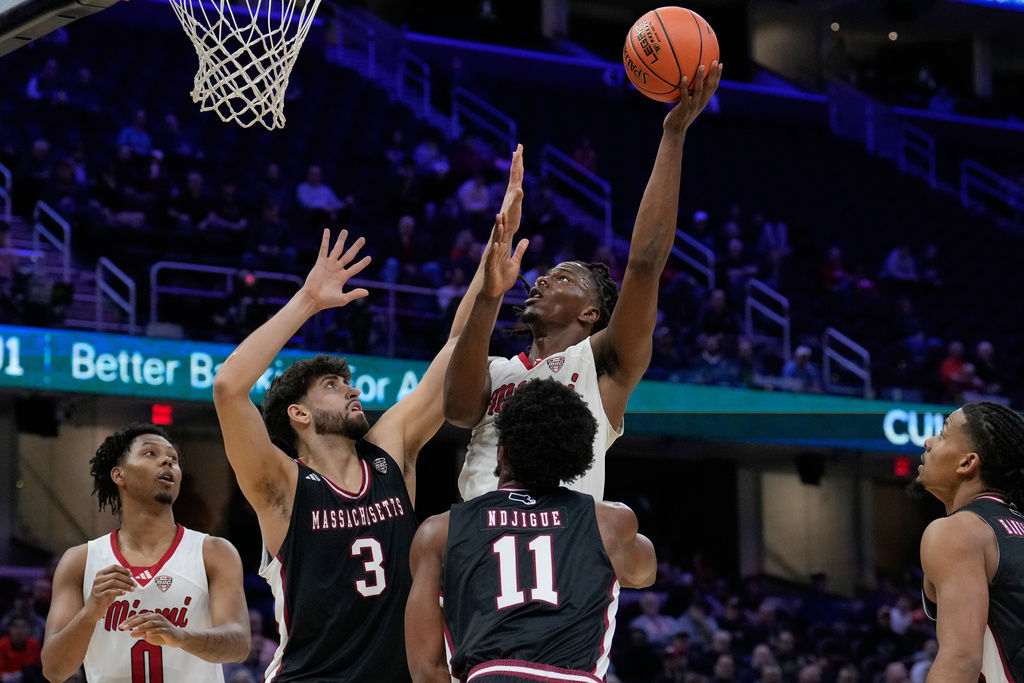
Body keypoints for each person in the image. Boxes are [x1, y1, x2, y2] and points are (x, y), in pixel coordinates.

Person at [211, 152, 524, 682]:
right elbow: (228, 387)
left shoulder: (389, 452)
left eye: (348, 380)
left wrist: (490, 282)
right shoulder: (282, 486)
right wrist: (308, 300)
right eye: (333, 386)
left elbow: (454, 350)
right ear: (299, 415)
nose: (353, 389)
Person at [444, 61, 723, 501]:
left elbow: (646, 262)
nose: (540, 280)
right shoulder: (498, 370)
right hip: (483, 544)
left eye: (562, 278)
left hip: (564, 551)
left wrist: (674, 134)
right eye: (545, 275)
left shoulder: (603, 366)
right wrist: (488, 294)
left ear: (591, 312)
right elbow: (457, 410)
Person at [405, 378, 656, 683]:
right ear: (573, 457)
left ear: (502, 452)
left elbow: (426, 670)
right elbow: (645, 574)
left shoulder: (439, 531)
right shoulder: (610, 523)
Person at [41, 423, 250, 683]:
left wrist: (181, 637)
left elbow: (239, 645)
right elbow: (53, 670)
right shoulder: (80, 561)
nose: (167, 461)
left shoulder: (214, 552)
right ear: (119, 475)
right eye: (150, 453)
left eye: (173, 459)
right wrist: (90, 613)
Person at [910, 401, 1024, 683]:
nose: (928, 442)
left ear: (967, 463)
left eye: (943, 434)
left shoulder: (958, 532)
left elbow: (961, 662)